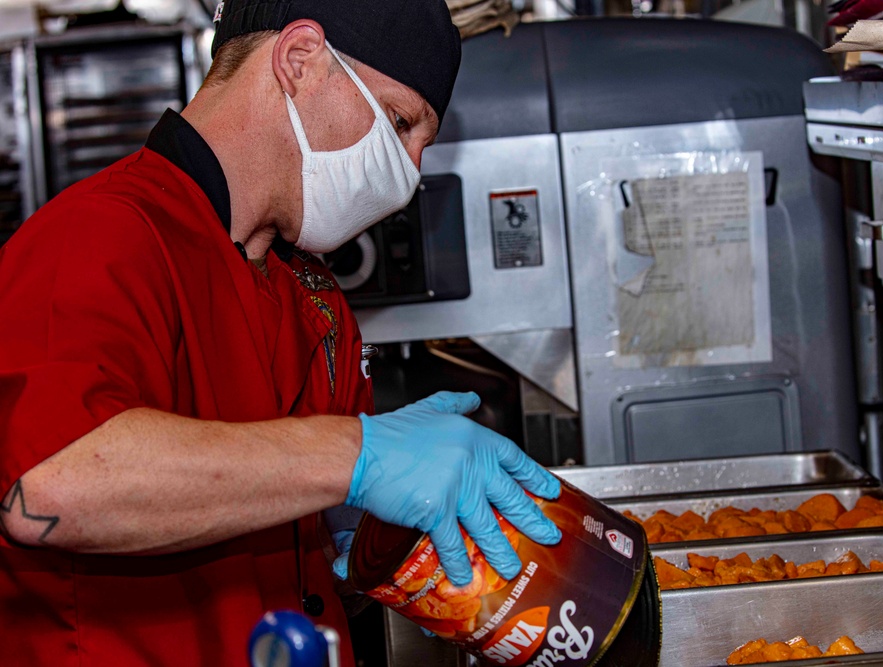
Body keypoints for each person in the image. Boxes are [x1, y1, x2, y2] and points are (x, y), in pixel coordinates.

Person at [0, 0, 562, 664]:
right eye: (398, 122)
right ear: (300, 61)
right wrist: (357, 455)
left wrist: (368, 538)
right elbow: (50, 482)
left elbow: (302, 523)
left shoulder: (314, 297)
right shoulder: (101, 236)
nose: (409, 175)